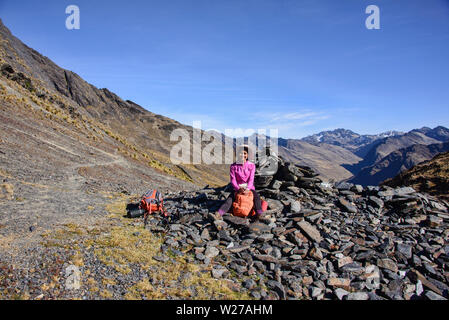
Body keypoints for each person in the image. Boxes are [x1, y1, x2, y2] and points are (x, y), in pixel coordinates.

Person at [215, 144, 263, 219]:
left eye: (245, 153)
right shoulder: (233, 166)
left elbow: (251, 179)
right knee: (229, 200)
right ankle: (219, 214)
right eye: (241, 153)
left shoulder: (252, 166)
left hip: (249, 188)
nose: (242, 155)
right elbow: (233, 179)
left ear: (247, 155)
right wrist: (238, 189)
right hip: (237, 188)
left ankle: (260, 214)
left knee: (256, 197)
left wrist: (248, 189)